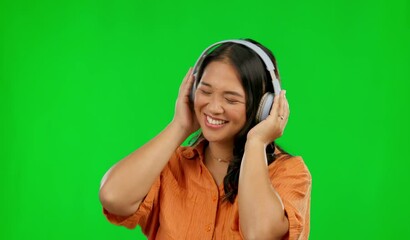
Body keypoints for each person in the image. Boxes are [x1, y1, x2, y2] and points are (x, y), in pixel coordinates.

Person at [99, 39, 312, 239]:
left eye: (230, 99)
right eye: (205, 91)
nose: (213, 107)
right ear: (191, 92)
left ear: (262, 108)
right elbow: (113, 197)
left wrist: (256, 143)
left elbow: (260, 234)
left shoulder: (289, 173)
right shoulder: (169, 164)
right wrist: (179, 126)